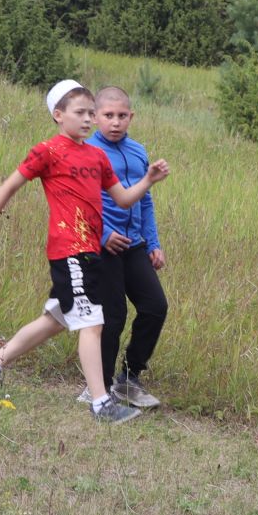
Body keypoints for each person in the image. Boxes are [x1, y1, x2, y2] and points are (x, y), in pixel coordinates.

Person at [0, 80, 170, 424]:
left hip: (91, 252)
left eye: (91, 113)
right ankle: (101, 402)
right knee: (93, 321)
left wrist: (147, 180)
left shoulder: (97, 156)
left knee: (56, 320)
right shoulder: (48, 151)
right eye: (81, 113)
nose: (88, 119)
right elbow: (8, 187)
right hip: (68, 249)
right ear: (58, 115)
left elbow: (122, 199)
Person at [89, 85, 168, 408]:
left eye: (122, 116)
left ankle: (129, 377)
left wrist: (154, 242)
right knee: (113, 316)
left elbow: (145, 200)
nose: (115, 122)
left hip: (135, 245)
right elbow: (81, 202)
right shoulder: (88, 152)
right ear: (95, 117)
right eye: (108, 116)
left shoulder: (138, 151)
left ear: (131, 116)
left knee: (155, 307)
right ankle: (101, 387)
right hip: (103, 246)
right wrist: (105, 233)